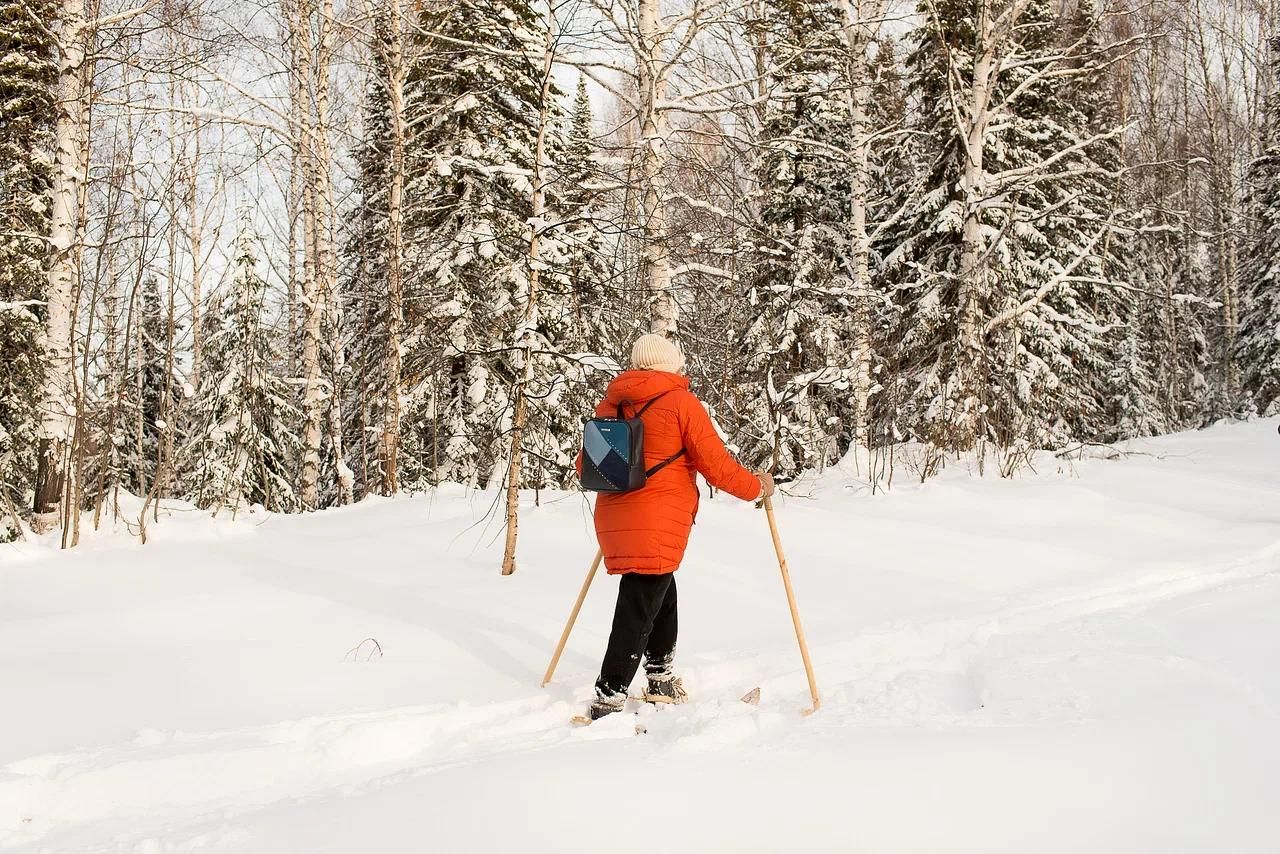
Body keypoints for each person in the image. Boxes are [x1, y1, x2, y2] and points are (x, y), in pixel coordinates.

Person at [577, 333, 775, 721]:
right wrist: (756, 487)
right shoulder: (681, 403)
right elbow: (715, 464)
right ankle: (610, 694)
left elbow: (586, 468)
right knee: (639, 600)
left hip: (615, 514)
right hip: (657, 518)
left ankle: (660, 677)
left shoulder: (613, 404)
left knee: (660, 591)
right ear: (671, 364)